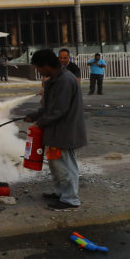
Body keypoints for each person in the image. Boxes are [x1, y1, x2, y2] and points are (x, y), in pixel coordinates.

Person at [24, 49, 86, 211]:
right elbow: (50, 106)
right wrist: (35, 115)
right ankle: (61, 193)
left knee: (65, 165)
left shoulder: (64, 80)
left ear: (46, 66)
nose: (38, 72)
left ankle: (70, 199)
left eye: (38, 68)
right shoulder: (56, 79)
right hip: (56, 131)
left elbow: (59, 110)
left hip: (63, 132)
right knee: (56, 164)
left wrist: (40, 122)